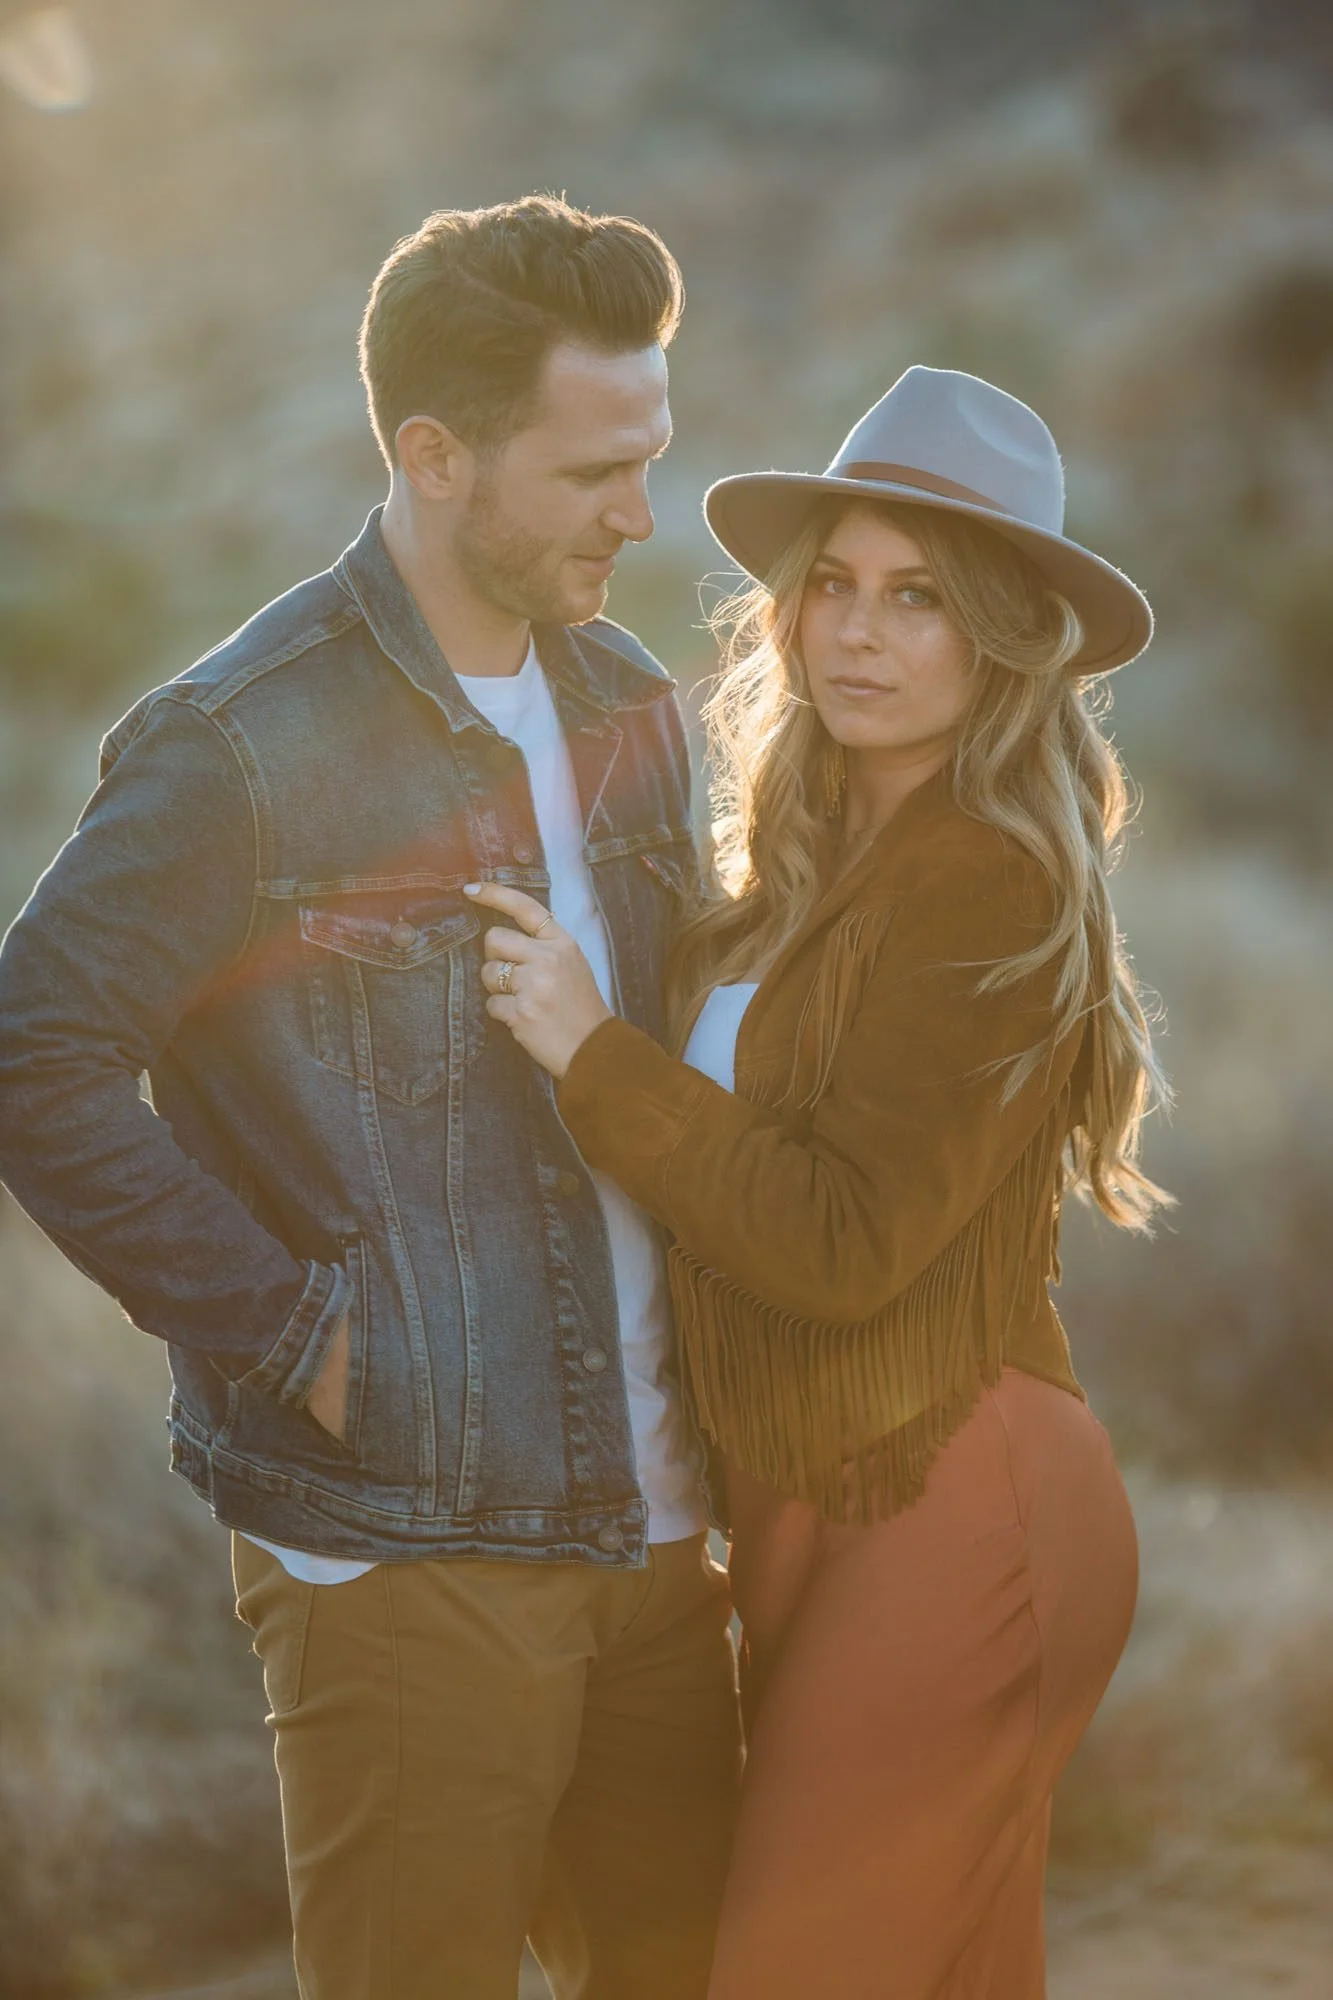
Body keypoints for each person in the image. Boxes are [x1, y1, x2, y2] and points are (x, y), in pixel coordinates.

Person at [0, 196, 742, 2000]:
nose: (640, 515)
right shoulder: (241, 740)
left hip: (662, 1542)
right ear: (432, 452)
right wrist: (295, 1329)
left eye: (650, 457)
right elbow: (36, 1049)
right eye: (593, 471)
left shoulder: (637, 700)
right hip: (408, 1555)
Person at [468, 364, 1167, 1998]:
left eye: (918, 598)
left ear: (998, 635)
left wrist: (593, 1055)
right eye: (833, 587)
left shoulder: (988, 882)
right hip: (808, 1512)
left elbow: (843, 1242)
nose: (857, 632)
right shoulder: (778, 882)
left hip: (955, 1503)